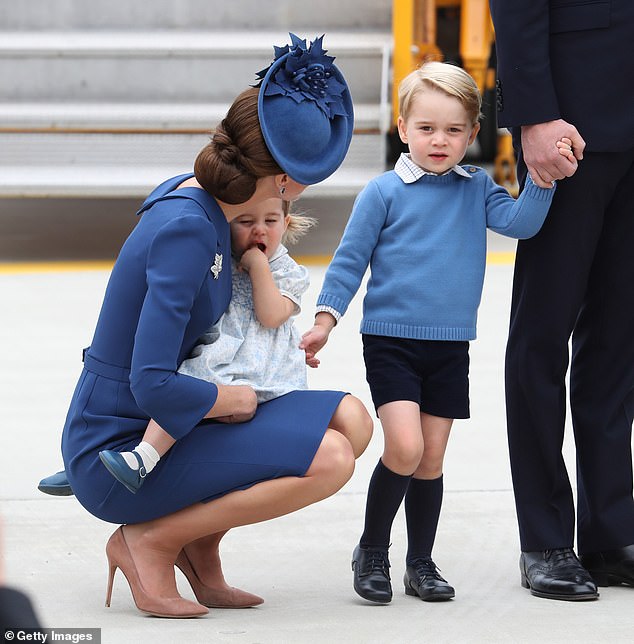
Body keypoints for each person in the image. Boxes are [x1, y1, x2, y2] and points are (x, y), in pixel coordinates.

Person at [54, 33, 373, 618]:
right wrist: (231, 396)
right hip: (125, 443)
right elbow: (150, 383)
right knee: (330, 458)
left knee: (354, 420)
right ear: (280, 177)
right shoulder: (188, 230)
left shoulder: (210, 206)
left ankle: (200, 543)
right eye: (307, 174)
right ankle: (149, 541)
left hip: (175, 418)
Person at [300, 61, 557, 605]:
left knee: (432, 457)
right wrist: (326, 319)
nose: (440, 141)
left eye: (454, 130)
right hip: (391, 340)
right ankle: (372, 550)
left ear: (472, 132)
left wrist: (543, 179)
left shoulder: (477, 187)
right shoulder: (383, 193)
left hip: (449, 344)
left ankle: (420, 562)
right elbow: (349, 262)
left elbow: (520, 225)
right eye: (426, 128)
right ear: (403, 128)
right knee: (406, 446)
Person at [489, 0, 634, 601]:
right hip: (570, 116)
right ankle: (545, 537)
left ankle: (609, 529)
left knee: (619, 339)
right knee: (541, 337)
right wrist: (535, 113)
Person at [98, 197, 370, 492]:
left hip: (263, 376)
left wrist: (258, 267)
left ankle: (142, 458)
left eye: (270, 221)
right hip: (222, 358)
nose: (259, 231)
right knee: (185, 390)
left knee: (192, 397)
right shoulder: (221, 260)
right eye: (245, 222)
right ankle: (136, 459)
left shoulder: (288, 271)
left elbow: (271, 316)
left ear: (286, 224)